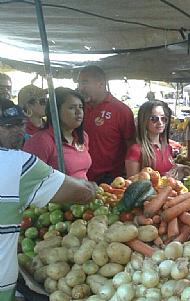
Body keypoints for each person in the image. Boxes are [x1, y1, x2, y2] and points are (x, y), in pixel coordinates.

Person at [0, 148, 97, 301]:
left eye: (21, 122)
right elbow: (83, 192)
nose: (19, 128)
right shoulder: (15, 163)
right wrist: (93, 189)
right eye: (10, 124)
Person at [77, 65, 135, 183]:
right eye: (79, 83)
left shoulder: (121, 111)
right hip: (79, 176)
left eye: (84, 82)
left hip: (108, 180)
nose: (80, 88)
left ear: (101, 84)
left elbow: (131, 145)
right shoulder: (77, 108)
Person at [23, 87, 91, 179]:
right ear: (55, 111)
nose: (79, 112)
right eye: (71, 108)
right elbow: (30, 179)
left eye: (81, 107)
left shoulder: (82, 136)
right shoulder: (41, 141)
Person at [125, 100, 190, 179]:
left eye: (163, 118)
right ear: (144, 121)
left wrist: (180, 168)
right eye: (154, 118)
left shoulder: (168, 147)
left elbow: (167, 170)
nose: (160, 122)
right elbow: (132, 186)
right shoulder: (136, 150)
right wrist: (163, 179)